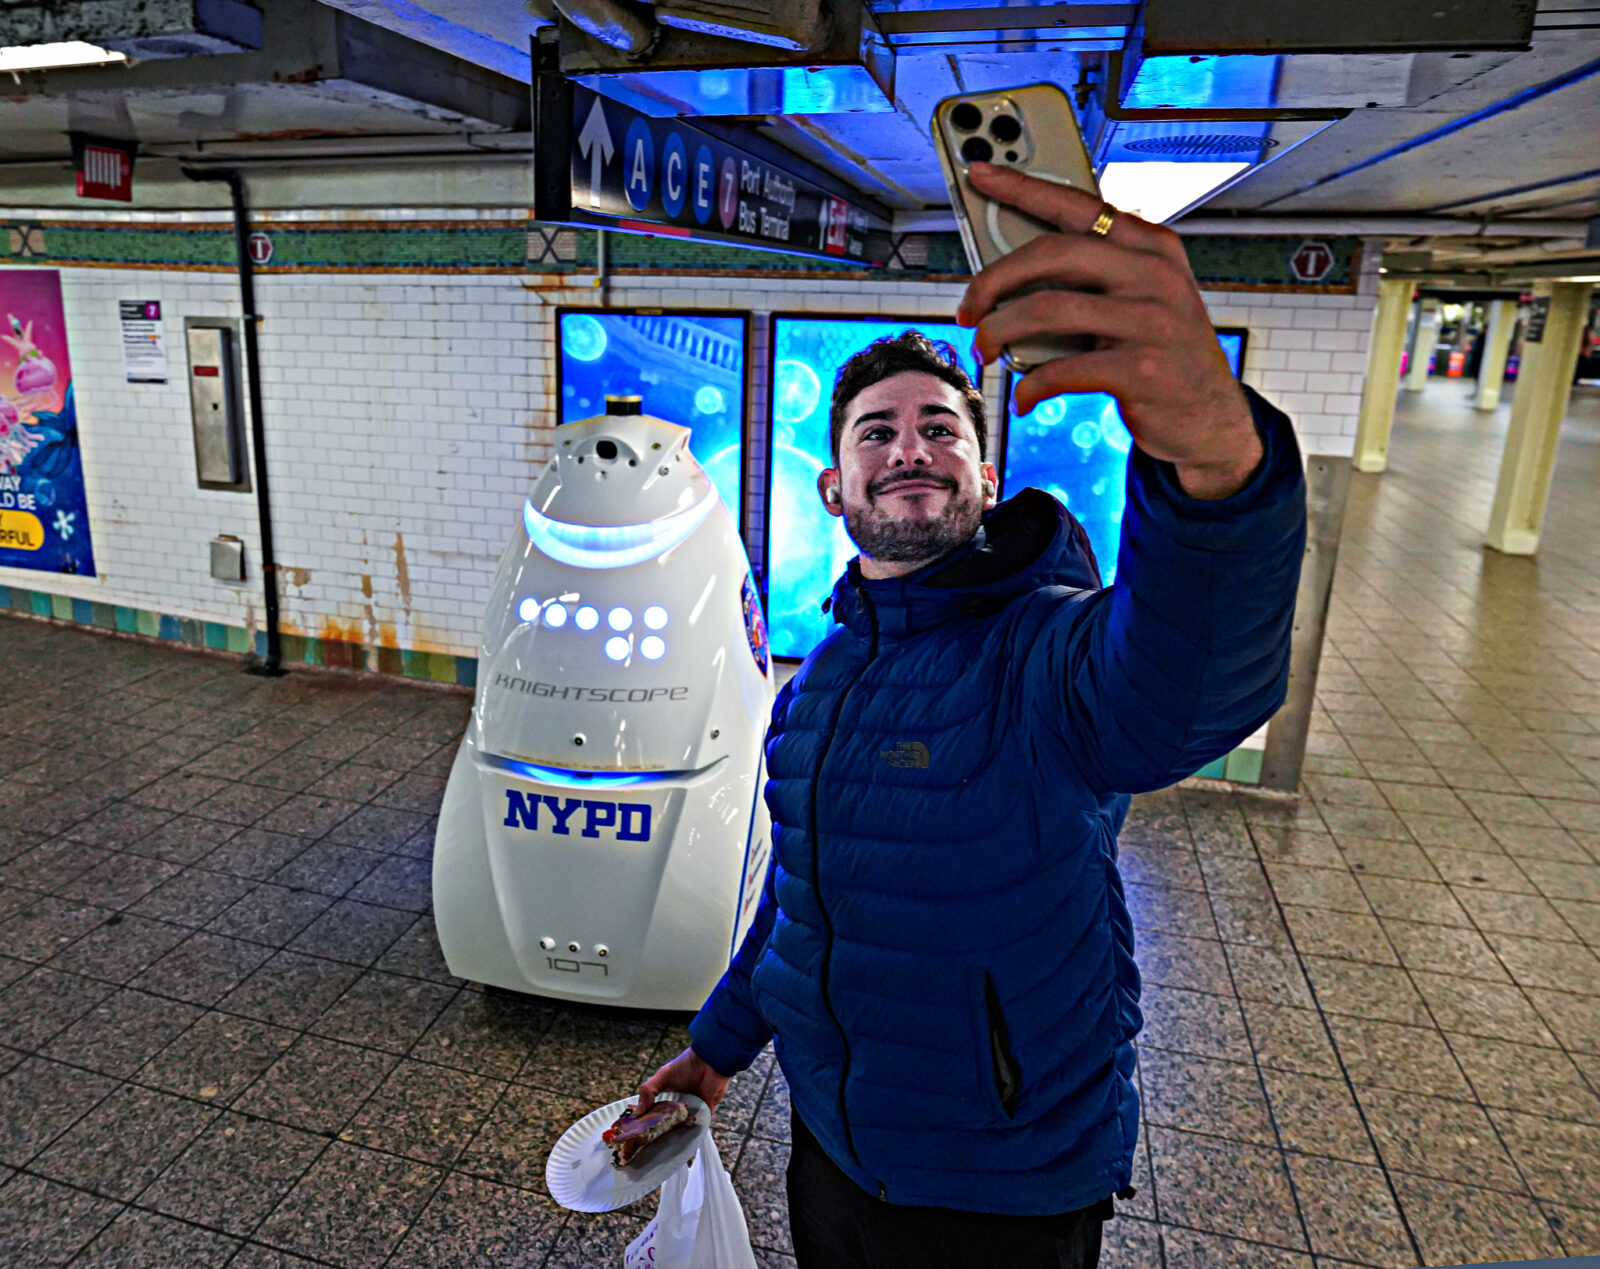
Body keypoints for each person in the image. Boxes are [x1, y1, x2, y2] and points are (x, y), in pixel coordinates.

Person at [638, 161, 1307, 1268]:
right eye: (876, 432)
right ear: (833, 489)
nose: (910, 449)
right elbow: (804, 900)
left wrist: (1215, 459)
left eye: (940, 430)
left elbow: (1183, 697)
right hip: (835, 1148)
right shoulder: (816, 688)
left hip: (1007, 1180)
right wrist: (716, 1050)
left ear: (985, 477)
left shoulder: (1045, 647)